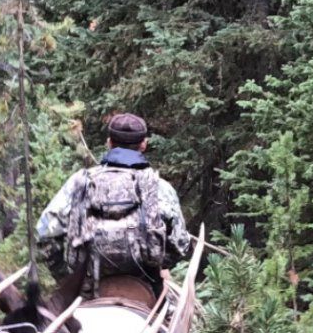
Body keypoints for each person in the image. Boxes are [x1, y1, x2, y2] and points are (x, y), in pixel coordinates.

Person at [35, 113, 195, 301]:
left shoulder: (79, 183)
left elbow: (44, 234)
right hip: (147, 285)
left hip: (87, 290)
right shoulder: (159, 187)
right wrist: (158, 264)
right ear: (143, 144)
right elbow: (180, 244)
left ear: (109, 143)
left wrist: (66, 277)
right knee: (177, 316)